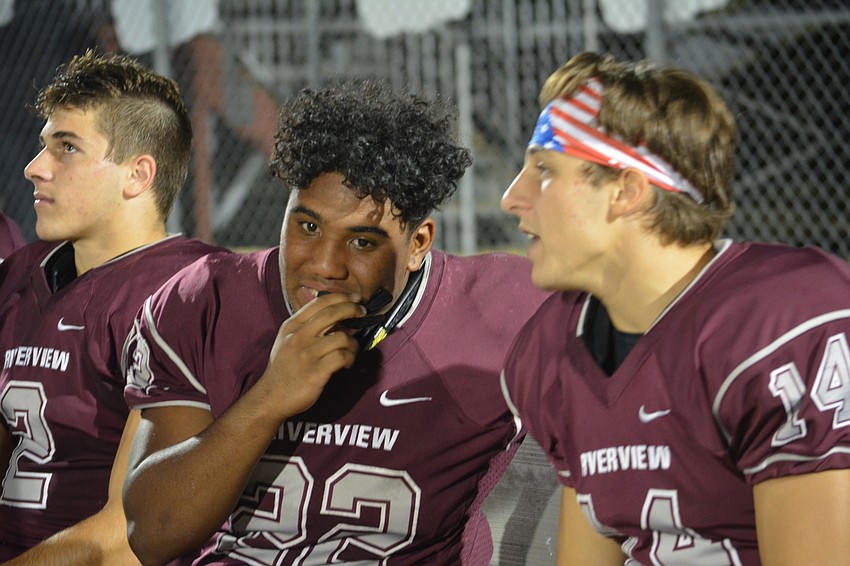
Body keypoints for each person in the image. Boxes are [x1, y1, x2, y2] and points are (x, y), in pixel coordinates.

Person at [121, 79, 551, 565]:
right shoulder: (208, 300)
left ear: (418, 243)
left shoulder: (504, 310)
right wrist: (269, 398)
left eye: (362, 241)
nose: (324, 264)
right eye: (307, 227)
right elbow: (152, 535)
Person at [499, 50, 850, 565]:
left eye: (544, 169)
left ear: (626, 189)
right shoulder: (555, 348)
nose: (512, 197)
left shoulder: (781, 326)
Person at [0, 50, 220, 563]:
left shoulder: (184, 292)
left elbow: (133, 536)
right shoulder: (21, 274)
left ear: (137, 175)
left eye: (67, 148)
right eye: (42, 147)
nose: (35, 168)